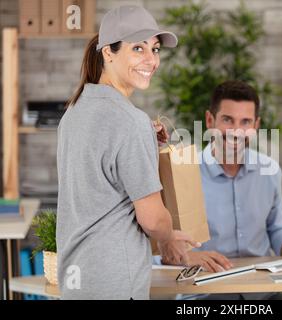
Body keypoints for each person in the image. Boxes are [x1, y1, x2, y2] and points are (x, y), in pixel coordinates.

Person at [56, 5, 199, 300]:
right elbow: (152, 219)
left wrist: (145, 141)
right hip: (114, 280)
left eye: (155, 50)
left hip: (75, 277)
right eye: (138, 48)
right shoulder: (129, 120)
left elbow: (98, 179)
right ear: (108, 52)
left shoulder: (75, 110)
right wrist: (169, 237)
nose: (151, 60)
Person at [176, 80, 282, 299]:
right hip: (206, 292)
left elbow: (277, 227)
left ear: (255, 126)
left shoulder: (270, 171)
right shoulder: (184, 174)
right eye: (227, 120)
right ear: (210, 120)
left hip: (261, 290)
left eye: (245, 122)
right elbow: (165, 248)